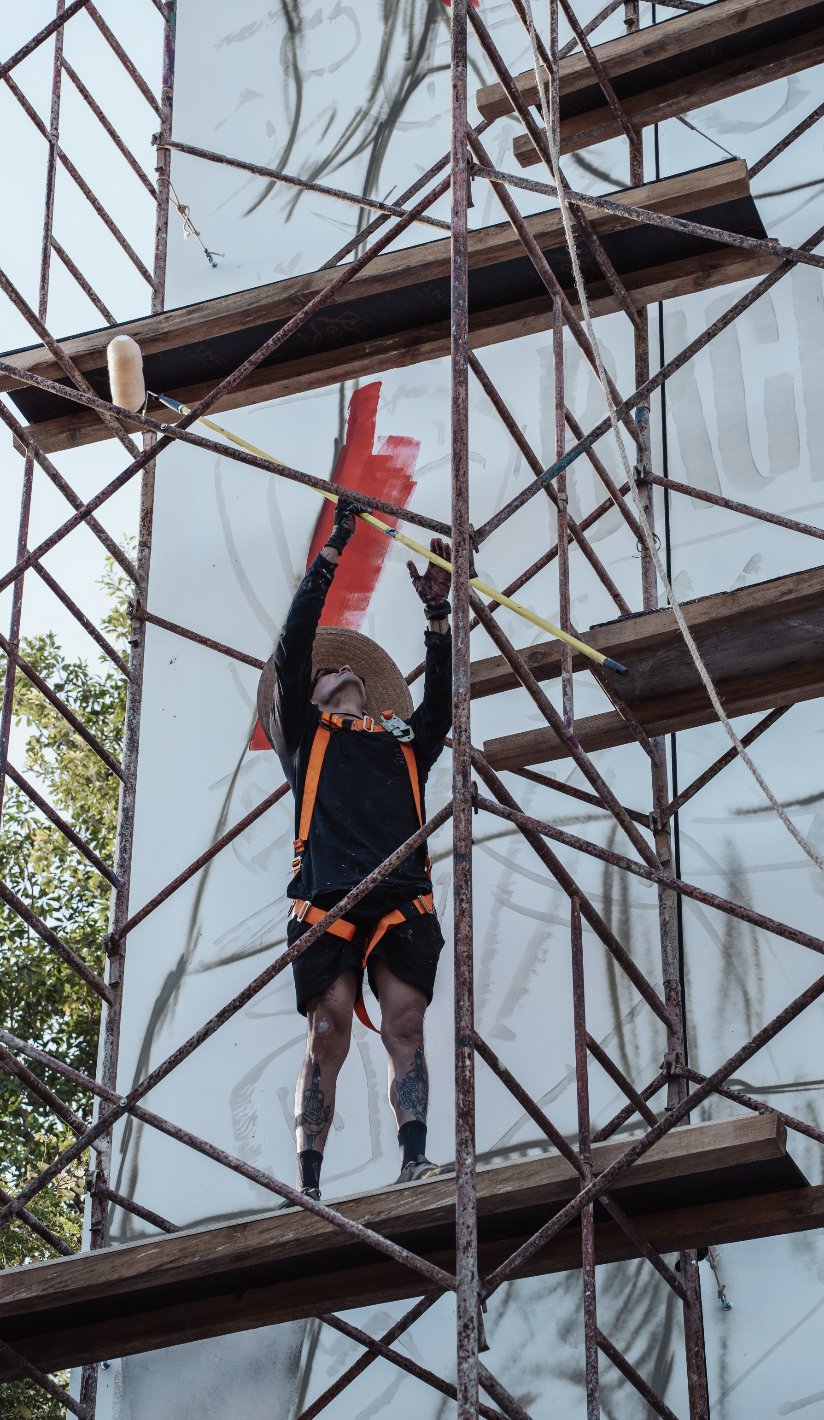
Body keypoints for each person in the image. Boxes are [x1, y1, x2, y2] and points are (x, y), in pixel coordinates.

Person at [257, 498, 453, 1202]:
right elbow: (295, 640)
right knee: (328, 1029)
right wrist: (335, 549)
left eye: (350, 673)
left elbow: (442, 709)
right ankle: (309, 1182)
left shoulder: (402, 742)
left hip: (402, 899)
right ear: (310, 693)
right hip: (327, 899)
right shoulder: (307, 737)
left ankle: (415, 1158)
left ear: (370, 693)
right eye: (324, 673)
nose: (337, 673)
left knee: (405, 1023)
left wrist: (438, 620)